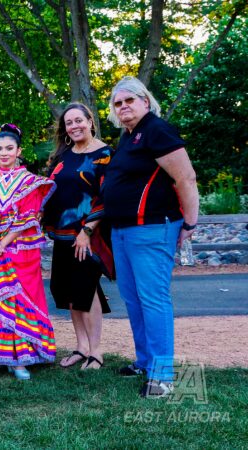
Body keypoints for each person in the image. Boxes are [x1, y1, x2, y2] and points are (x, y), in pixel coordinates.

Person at [104, 76, 199, 398]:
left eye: (129, 100)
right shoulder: (129, 136)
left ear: (145, 100)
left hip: (152, 229)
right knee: (133, 300)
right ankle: (145, 361)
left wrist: (189, 223)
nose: (123, 107)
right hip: (123, 231)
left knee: (154, 300)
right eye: (118, 104)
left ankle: (162, 375)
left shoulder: (157, 130)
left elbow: (186, 177)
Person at [0, 123, 56, 380]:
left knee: (17, 296)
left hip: (17, 248)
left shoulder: (30, 181)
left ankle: (19, 358)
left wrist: (2, 242)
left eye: (9, 148)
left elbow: (27, 217)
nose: (4, 153)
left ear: (19, 150)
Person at [43, 102, 115, 371]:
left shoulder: (106, 155)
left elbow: (108, 195)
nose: (74, 126)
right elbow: (48, 189)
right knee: (69, 291)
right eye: (68, 123)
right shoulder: (63, 156)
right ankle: (81, 347)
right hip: (62, 235)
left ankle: (96, 352)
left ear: (90, 121)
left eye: (78, 121)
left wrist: (87, 231)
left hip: (87, 234)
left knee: (87, 289)